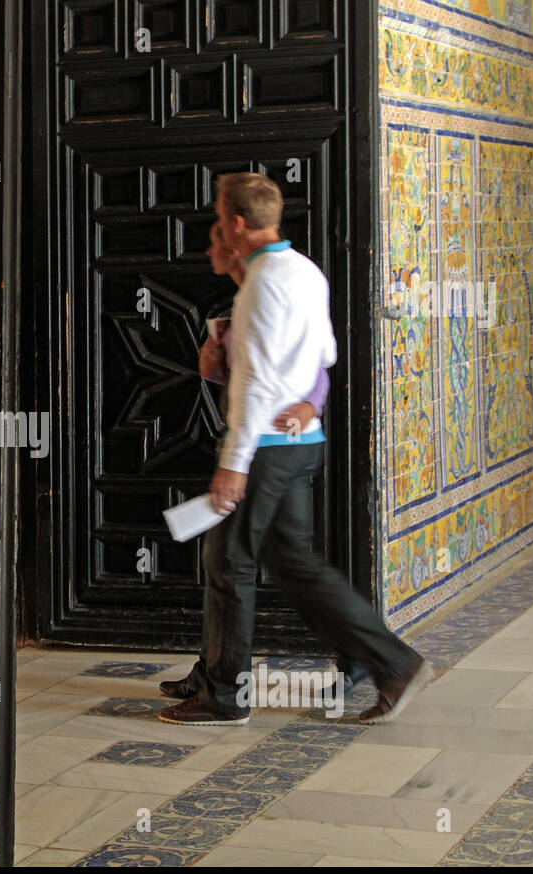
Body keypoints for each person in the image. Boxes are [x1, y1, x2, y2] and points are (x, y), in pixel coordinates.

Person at [159, 173, 432, 727]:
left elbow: (257, 381)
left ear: (237, 223)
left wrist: (233, 464)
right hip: (301, 445)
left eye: (219, 214)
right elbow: (325, 351)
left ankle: (224, 696)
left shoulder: (262, 282)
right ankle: (391, 663)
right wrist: (305, 404)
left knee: (227, 563)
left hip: (264, 447)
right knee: (296, 566)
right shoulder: (305, 271)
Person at [158, 219, 371, 703]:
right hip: (256, 447)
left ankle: (223, 686)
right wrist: (211, 365)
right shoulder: (235, 308)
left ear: (235, 246)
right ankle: (216, 672)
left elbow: (312, 366)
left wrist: (310, 405)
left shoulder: (278, 289)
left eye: (216, 242)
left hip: (273, 452)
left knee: (234, 565)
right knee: (261, 565)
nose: (209, 250)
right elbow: (240, 378)